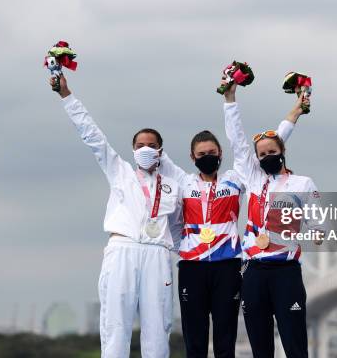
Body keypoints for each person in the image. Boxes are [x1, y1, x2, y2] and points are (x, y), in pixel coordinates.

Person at [158, 97, 305, 358]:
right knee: (195, 336)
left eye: (212, 153)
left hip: (228, 266)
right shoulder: (183, 182)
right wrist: (184, 246)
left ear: (220, 154)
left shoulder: (236, 178)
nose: (207, 158)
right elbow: (155, 152)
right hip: (192, 267)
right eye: (201, 155)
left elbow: (266, 145)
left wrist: (232, 100)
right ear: (192, 157)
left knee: (225, 338)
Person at [50, 75, 181, 358]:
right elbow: (92, 136)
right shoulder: (119, 171)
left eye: (150, 145)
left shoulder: (172, 184)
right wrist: (67, 95)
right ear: (133, 150)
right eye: (139, 145)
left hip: (158, 254)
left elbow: (179, 226)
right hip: (122, 249)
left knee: (158, 326)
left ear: (160, 151)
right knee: (115, 324)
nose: (144, 149)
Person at [222, 80, 322, 358]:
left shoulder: (302, 183)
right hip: (253, 272)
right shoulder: (253, 179)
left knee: (294, 344)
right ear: (256, 160)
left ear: (283, 152)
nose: (268, 156)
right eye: (262, 154)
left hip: (286, 272)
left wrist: (317, 231)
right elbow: (237, 140)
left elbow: (318, 219)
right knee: (260, 346)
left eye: (273, 152)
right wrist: (230, 98)